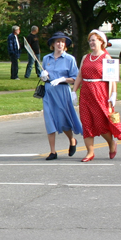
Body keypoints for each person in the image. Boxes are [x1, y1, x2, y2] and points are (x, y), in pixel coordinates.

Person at [73, 29, 121, 162]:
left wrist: (113, 94)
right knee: (86, 122)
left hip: (100, 93)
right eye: (90, 40)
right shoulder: (85, 57)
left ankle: (111, 143)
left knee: (101, 124)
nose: (91, 42)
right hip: (86, 94)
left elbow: (112, 79)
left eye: (94, 40)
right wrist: (74, 91)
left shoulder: (106, 58)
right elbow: (80, 75)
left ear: (101, 42)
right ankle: (90, 152)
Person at [39, 32, 82, 160]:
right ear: (53, 44)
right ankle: (53, 151)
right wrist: (43, 76)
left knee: (63, 121)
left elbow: (75, 78)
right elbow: (44, 75)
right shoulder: (47, 58)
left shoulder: (70, 59)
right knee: (49, 120)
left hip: (62, 92)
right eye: (57, 41)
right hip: (49, 93)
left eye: (62, 42)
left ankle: (72, 140)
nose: (60, 44)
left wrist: (62, 79)